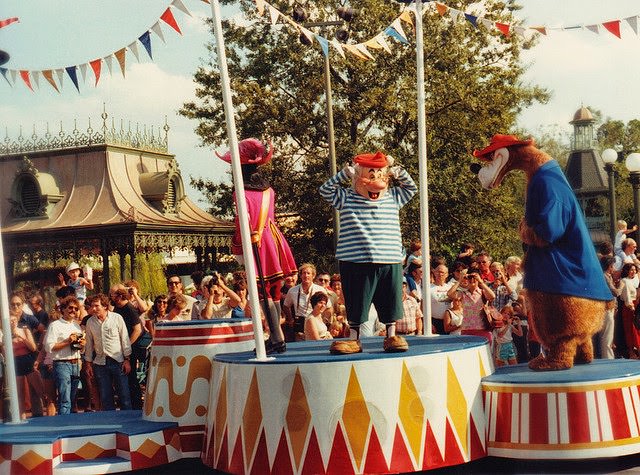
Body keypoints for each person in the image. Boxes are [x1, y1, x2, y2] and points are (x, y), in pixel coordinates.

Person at [320, 151, 417, 354]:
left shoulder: (393, 197)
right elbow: (325, 190)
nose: (375, 182)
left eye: (380, 176)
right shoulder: (346, 197)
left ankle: (391, 336)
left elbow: (412, 188)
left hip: (389, 259)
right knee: (357, 301)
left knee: (390, 300)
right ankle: (354, 339)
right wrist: (345, 174)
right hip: (356, 260)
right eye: (370, 176)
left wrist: (395, 171)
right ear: (358, 176)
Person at [217, 138, 298, 354]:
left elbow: (241, 223)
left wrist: (236, 245)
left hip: (256, 240)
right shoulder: (269, 191)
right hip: (273, 238)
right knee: (275, 290)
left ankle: (276, 337)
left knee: (263, 292)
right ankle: (276, 336)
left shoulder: (240, 193)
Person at [84, 294, 132, 411]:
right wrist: (88, 363)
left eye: (97, 306)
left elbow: (124, 339)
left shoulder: (117, 318)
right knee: (105, 396)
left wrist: (127, 359)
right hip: (100, 363)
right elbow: (89, 344)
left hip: (118, 361)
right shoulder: (90, 322)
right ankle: (110, 423)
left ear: (105, 306)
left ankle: (128, 423)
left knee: (124, 395)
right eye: (92, 306)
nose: (94, 309)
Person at [44, 296, 85, 415]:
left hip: (76, 363)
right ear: (63, 309)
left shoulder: (77, 326)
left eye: (76, 308)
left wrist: (82, 345)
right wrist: (67, 341)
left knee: (73, 398)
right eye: (70, 308)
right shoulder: (55, 325)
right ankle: (63, 425)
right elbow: (49, 347)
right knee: (65, 399)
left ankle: (70, 424)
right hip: (62, 364)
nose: (73, 310)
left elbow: (79, 348)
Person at [4, 300, 44, 418]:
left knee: (38, 391)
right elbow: (6, 353)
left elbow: (33, 348)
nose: (12, 323)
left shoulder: (25, 330)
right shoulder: (5, 334)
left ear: (17, 320)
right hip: (15, 363)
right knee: (20, 395)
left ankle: (41, 415)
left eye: (14, 320)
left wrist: (20, 336)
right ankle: (21, 418)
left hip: (28, 361)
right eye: (9, 321)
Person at [110, 286, 144, 409]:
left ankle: (136, 406)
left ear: (119, 295)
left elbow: (137, 329)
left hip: (130, 349)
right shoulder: (117, 309)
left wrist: (127, 347)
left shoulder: (129, 308)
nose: (110, 297)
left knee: (131, 378)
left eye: (112, 294)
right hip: (121, 349)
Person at [283, 263, 332, 340]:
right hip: (300, 330)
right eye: (304, 273)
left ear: (313, 275)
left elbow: (329, 308)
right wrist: (291, 319)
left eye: (308, 273)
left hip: (316, 327)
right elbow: (286, 306)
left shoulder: (320, 290)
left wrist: (323, 320)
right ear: (300, 275)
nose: (306, 276)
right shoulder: (293, 290)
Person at [447, 268, 495, 340]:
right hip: (467, 329)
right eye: (469, 278)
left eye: (474, 278)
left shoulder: (482, 292)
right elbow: (449, 294)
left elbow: (492, 296)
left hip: (482, 328)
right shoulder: (463, 294)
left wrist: (481, 282)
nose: (472, 280)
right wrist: (460, 279)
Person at [601, 256, 623, 359]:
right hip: (607, 309)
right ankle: (608, 358)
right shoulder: (605, 276)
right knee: (607, 336)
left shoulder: (606, 276)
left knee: (607, 335)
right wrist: (621, 285)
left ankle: (607, 356)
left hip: (609, 308)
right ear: (609, 266)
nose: (614, 268)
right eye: (612, 266)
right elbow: (616, 292)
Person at [619, 263, 640, 359]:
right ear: (627, 271)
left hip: (634, 306)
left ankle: (636, 350)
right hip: (629, 307)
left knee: (635, 330)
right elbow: (627, 296)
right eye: (631, 270)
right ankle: (631, 352)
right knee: (630, 330)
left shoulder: (633, 281)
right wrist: (631, 307)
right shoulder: (625, 281)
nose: (633, 272)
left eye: (634, 270)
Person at [430, 263, 452, 334]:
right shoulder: (428, 288)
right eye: (438, 272)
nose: (440, 274)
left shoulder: (450, 287)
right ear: (434, 273)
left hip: (449, 323)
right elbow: (423, 307)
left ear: (447, 274)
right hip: (435, 322)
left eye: (442, 272)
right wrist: (428, 324)